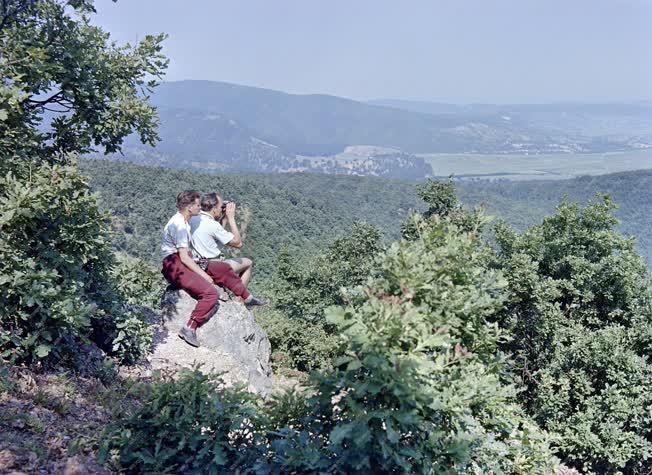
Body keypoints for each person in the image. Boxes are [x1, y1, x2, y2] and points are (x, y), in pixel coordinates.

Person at [160, 190, 218, 347]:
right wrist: (203, 275)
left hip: (173, 263)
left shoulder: (181, 221)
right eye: (198, 205)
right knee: (211, 293)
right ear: (189, 207)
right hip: (174, 265)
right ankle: (190, 327)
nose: (200, 208)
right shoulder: (180, 225)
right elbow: (184, 257)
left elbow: (184, 253)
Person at [189, 192, 265, 307]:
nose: (221, 209)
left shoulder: (193, 219)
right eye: (220, 207)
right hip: (212, 266)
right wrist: (231, 218)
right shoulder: (212, 225)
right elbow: (238, 243)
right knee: (248, 263)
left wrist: (223, 218)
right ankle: (239, 302)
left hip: (195, 264)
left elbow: (216, 235)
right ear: (214, 208)